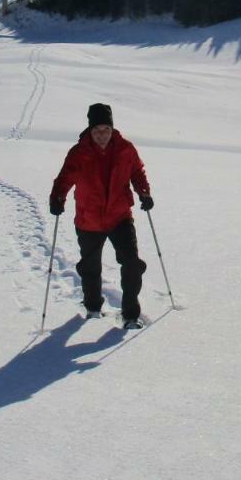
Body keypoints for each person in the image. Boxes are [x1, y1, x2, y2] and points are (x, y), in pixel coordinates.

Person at [50, 103, 154, 329]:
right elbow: (65, 178)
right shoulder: (79, 152)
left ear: (112, 128)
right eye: (97, 130)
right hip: (89, 218)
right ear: (90, 130)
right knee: (90, 267)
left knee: (131, 263)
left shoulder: (125, 149)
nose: (102, 135)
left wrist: (144, 192)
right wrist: (57, 198)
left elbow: (136, 171)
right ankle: (93, 307)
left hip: (119, 216)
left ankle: (130, 315)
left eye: (106, 129)